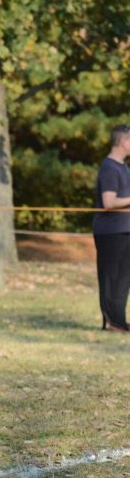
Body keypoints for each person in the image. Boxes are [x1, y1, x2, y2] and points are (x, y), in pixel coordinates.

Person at [93, 124, 130, 332]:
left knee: (124, 278)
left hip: (125, 230)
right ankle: (110, 321)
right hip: (110, 232)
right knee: (110, 276)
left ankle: (119, 321)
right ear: (124, 142)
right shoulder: (108, 168)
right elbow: (109, 202)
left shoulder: (124, 167)